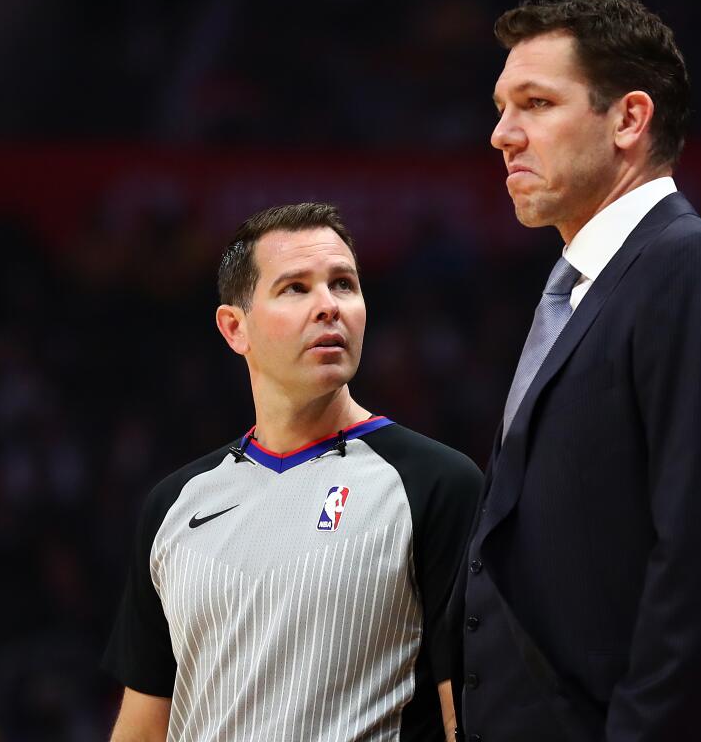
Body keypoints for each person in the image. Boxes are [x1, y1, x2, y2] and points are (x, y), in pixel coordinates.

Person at [455, 0, 701, 741]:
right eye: (500, 107)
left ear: (627, 120)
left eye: (536, 103)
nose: (501, 135)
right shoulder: (589, 286)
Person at [103, 203, 483, 741]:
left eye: (344, 284)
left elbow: (465, 712)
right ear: (236, 328)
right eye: (295, 288)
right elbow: (143, 725)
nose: (329, 306)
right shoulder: (174, 505)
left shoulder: (438, 483)